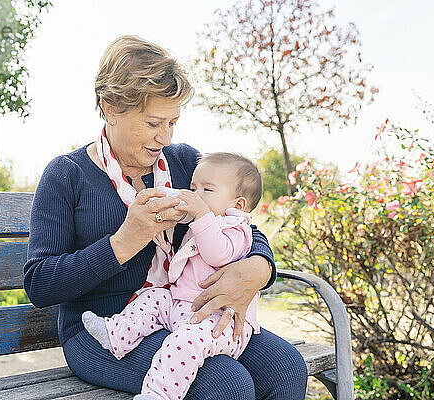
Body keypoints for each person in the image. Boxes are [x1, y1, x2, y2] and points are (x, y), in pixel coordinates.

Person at [23, 35, 308, 400]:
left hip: (185, 310)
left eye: (173, 122)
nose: (165, 137)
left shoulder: (185, 162)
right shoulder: (67, 175)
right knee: (226, 384)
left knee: (286, 368)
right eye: (154, 123)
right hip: (102, 331)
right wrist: (125, 242)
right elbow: (40, 283)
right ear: (110, 108)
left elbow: (240, 221)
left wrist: (258, 268)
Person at [82, 152, 266, 400]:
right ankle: (116, 333)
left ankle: (157, 395)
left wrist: (202, 217)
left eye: (206, 190)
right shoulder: (209, 220)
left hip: (216, 320)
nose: (195, 195)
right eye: (193, 188)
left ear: (239, 205)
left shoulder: (235, 229)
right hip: (183, 305)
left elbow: (218, 254)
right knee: (153, 298)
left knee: (182, 345)